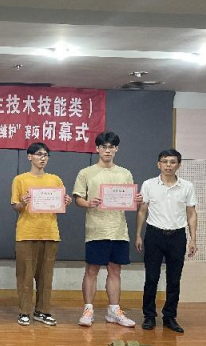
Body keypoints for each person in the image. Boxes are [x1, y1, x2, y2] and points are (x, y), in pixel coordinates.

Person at [73, 131, 142, 328]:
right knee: (92, 269)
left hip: (119, 230)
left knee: (115, 270)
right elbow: (78, 198)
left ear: (116, 149)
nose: (107, 151)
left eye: (111, 147)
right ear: (97, 149)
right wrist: (88, 203)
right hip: (96, 229)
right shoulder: (86, 173)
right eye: (104, 147)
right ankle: (88, 309)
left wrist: (136, 199)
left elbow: (129, 198)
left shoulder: (125, 173)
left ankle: (114, 310)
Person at [135, 149, 198, 333]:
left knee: (174, 279)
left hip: (177, 236)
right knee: (151, 277)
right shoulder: (149, 184)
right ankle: (149, 316)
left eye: (172, 162)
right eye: (165, 161)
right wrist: (138, 234)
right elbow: (142, 211)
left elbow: (191, 213)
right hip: (154, 235)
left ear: (179, 165)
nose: (168, 165)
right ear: (159, 164)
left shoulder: (187, 186)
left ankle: (170, 316)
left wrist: (193, 239)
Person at [11, 142, 73, 327]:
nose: (43, 158)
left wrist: (66, 201)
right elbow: (16, 206)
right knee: (25, 275)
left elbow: (59, 204)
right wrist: (23, 202)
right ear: (29, 157)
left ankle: (43, 311)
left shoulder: (55, 180)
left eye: (46, 155)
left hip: (50, 232)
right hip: (26, 233)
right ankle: (24, 311)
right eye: (39, 154)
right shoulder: (20, 179)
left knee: (46, 276)